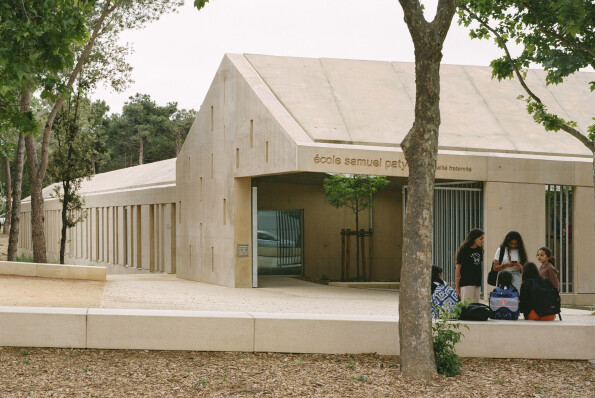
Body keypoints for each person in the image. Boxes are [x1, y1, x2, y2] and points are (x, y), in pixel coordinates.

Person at [454, 228, 485, 302]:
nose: (482, 241)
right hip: (466, 282)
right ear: (474, 239)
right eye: (480, 239)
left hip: (477, 282)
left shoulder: (479, 250)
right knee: (467, 306)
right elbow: (458, 267)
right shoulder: (464, 250)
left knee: (476, 306)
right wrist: (457, 285)